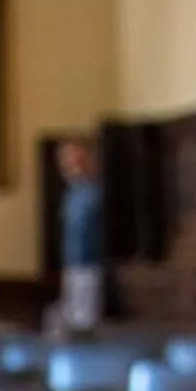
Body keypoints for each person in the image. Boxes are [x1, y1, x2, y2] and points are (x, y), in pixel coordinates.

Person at [57, 138, 107, 331]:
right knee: (72, 317)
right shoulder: (71, 193)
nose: (71, 164)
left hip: (91, 264)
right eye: (67, 159)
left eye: (76, 158)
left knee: (85, 321)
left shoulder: (95, 192)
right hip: (72, 262)